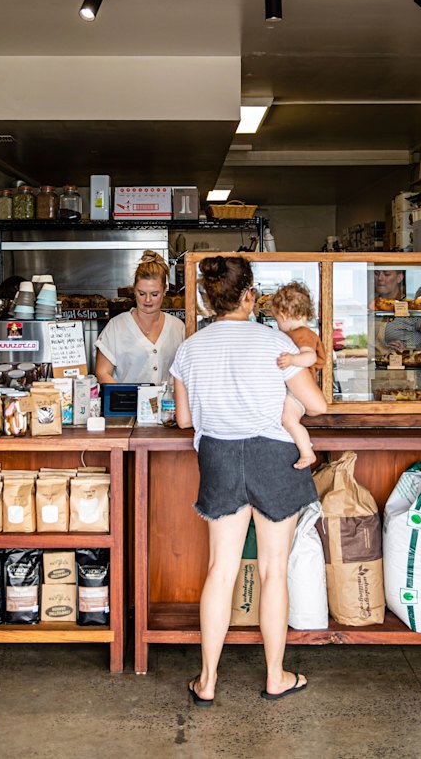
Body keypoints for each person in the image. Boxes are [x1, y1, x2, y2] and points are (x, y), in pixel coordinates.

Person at [170, 255, 327, 706]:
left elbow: (183, 420)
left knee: (221, 571)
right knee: (274, 571)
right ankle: (275, 676)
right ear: (249, 295)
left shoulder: (190, 348)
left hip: (218, 456)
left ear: (207, 298)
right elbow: (315, 406)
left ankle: (207, 682)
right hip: (274, 457)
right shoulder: (273, 340)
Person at [94, 250, 185, 384]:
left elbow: (185, 373)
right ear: (134, 289)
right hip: (127, 404)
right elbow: (102, 372)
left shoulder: (178, 328)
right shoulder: (116, 327)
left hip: (168, 404)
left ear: (165, 290)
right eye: (141, 293)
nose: (147, 300)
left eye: (154, 294)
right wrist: (125, 398)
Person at [271, 282, 327, 469]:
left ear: (285, 315)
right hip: (295, 390)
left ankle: (306, 452)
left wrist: (293, 360)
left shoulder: (302, 334)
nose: (278, 325)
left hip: (298, 393)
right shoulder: (300, 333)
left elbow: (310, 357)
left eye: (277, 319)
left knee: (288, 420)